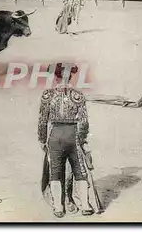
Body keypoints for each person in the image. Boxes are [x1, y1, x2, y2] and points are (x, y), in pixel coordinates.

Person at [38, 63, 98, 218]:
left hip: (55, 136)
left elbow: (43, 121)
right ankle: (85, 205)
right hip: (73, 135)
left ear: (55, 77)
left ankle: (58, 207)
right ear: (70, 77)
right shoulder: (77, 96)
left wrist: (42, 139)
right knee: (80, 172)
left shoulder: (47, 95)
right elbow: (84, 123)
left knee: (55, 173)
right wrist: (82, 139)